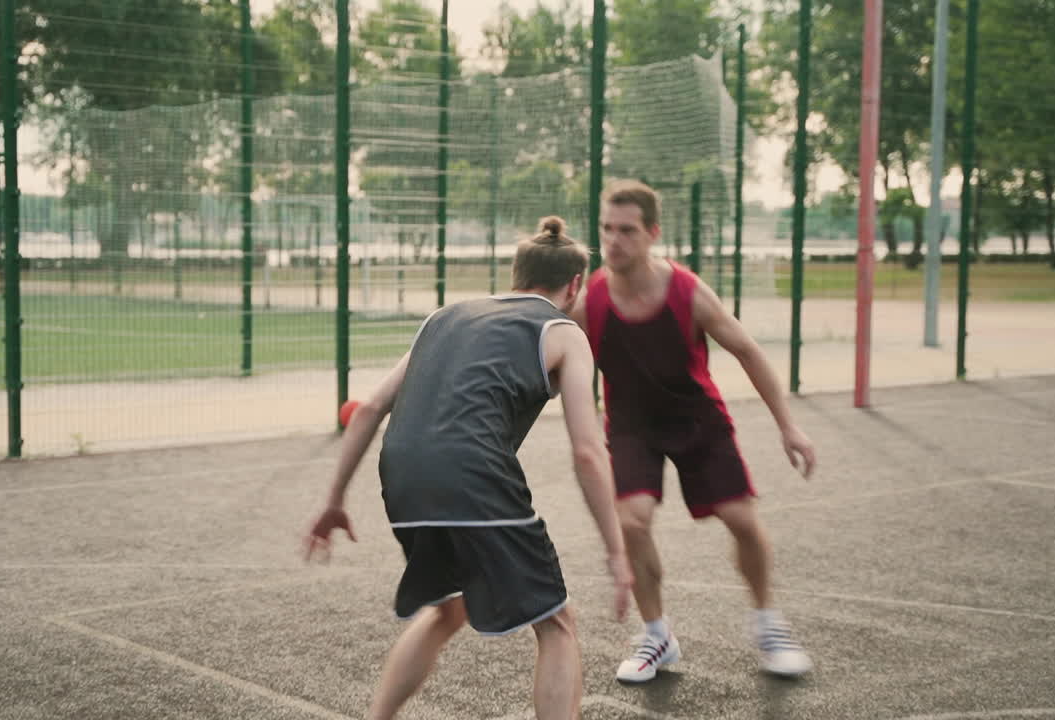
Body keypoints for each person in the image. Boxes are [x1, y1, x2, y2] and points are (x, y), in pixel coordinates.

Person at [304, 217, 635, 720]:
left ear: (515, 274)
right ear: (574, 286)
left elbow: (369, 409)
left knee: (447, 608)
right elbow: (588, 451)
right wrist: (616, 551)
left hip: (402, 475)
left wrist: (334, 501)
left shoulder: (443, 317)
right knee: (557, 623)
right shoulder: (564, 333)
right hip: (473, 472)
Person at [572, 180, 817, 682]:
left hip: (697, 418)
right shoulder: (589, 300)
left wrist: (788, 426)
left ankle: (768, 623)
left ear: (652, 234)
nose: (613, 240)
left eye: (627, 230)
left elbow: (747, 350)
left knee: (741, 519)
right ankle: (657, 636)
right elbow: (551, 357)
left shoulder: (687, 292)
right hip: (633, 426)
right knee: (633, 521)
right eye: (606, 229)